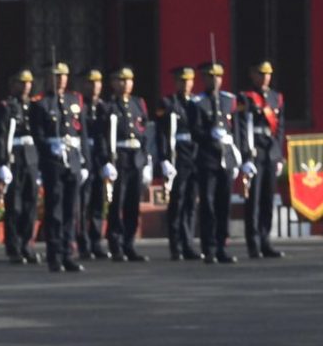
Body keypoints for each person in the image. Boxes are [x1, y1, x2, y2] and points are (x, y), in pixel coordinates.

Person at [29, 62, 88, 273]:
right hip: (53, 160)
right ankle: (55, 255)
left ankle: (69, 254)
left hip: (73, 158)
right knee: (55, 209)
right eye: (56, 76)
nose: (61, 79)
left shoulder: (75, 100)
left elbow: (82, 133)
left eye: (64, 76)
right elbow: (37, 135)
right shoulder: (40, 104)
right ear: (48, 78)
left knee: (72, 210)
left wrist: (85, 162)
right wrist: (49, 147)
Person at [95, 67, 152, 262]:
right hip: (118, 158)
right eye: (121, 80)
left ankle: (129, 244)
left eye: (129, 80)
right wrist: (106, 161)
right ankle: (116, 244)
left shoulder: (138, 103)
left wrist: (146, 158)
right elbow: (102, 137)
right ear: (113, 83)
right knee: (117, 203)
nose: (126, 84)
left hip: (136, 158)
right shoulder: (108, 106)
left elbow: (144, 132)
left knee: (133, 204)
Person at [237, 60, 287, 260]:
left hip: (270, 152)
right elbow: (242, 128)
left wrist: (278, 154)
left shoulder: (276, 98)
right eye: (261, 73)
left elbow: (279, 128)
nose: (265, 77)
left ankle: (266, 242)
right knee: (254, 200)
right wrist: (245, 157)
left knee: (268, 199)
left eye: (268, 74)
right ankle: (254, 244)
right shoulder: (246, 97)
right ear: (253, 75)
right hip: (255, 151)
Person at [191, 62, 238, 264]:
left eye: (218, 76)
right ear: (204, 79)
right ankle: (209, 247)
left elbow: (237, 128)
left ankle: (221, 246)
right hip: (207, 158)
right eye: (211, 77)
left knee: (224, 204)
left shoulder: (229, 100)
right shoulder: (197, 102)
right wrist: (210, 134)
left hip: (225, 158)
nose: (215, 80)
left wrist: (237, 154)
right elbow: (195, 131)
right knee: (208, 204)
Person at [0, 70, 40, 265]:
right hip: (14, 157)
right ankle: (14, 246)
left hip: (31, 156)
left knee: (31, 203)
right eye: (21, 82)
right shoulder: (6, 107)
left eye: (28, 83)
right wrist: (2, 163)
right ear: (13, 85)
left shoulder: (35, 106)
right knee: (14, 205)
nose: (26, 86)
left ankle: (27, 245)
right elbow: (0, 136)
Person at [157, 66, 201, 261]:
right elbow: (161, 133)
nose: (185, 84)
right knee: (177, 202)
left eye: (188, 80)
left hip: (194, 156)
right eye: (182, 81)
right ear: (176, 83)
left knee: (191, 202)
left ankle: (188, 243)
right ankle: (176, 245)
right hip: (177, 157)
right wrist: (164, 159)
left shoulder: (196, 103)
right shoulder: (168, 103)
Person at [75, 68, 107, 261]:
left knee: (98, 202)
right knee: (82, 203)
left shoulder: (104, 107)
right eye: (90, 82)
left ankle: (96, 241)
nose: (95, 86)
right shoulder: (79, 106)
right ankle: (83, 243)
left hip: (99, 158)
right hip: (83, 156)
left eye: (98, 82)